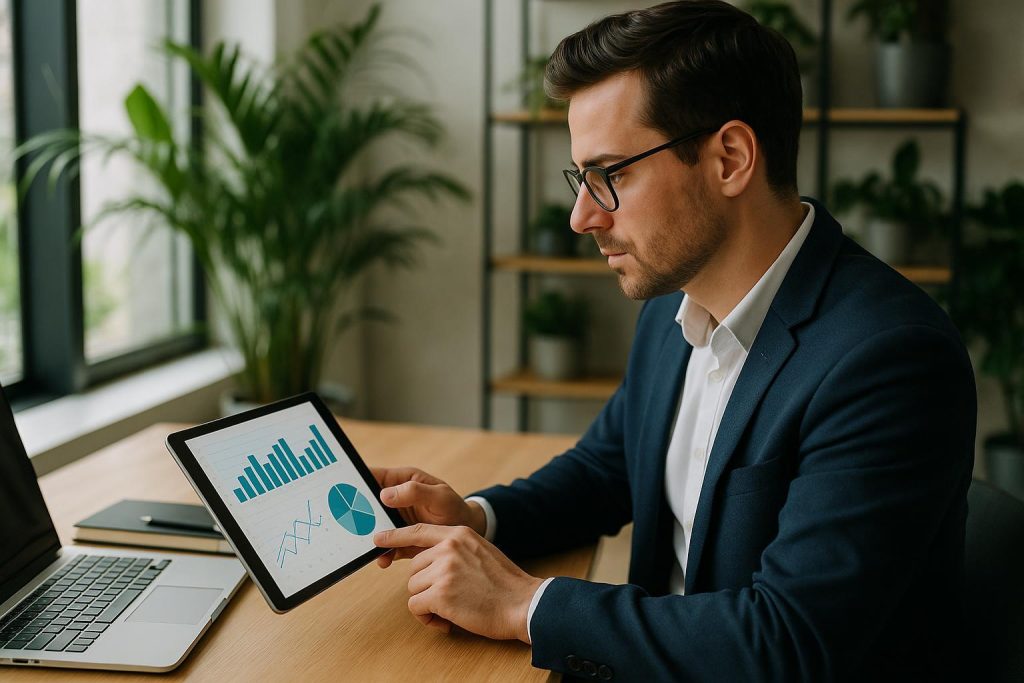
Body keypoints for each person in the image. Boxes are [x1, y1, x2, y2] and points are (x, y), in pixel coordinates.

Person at [371, 1, 977, 680]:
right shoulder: (674, 306)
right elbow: (608, 468)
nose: (582, 216)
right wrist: (477, 517)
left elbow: (787, 642)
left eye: (611, 175)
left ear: (730, 158)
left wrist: (525, 605)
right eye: (581, 179)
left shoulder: (889, 358)